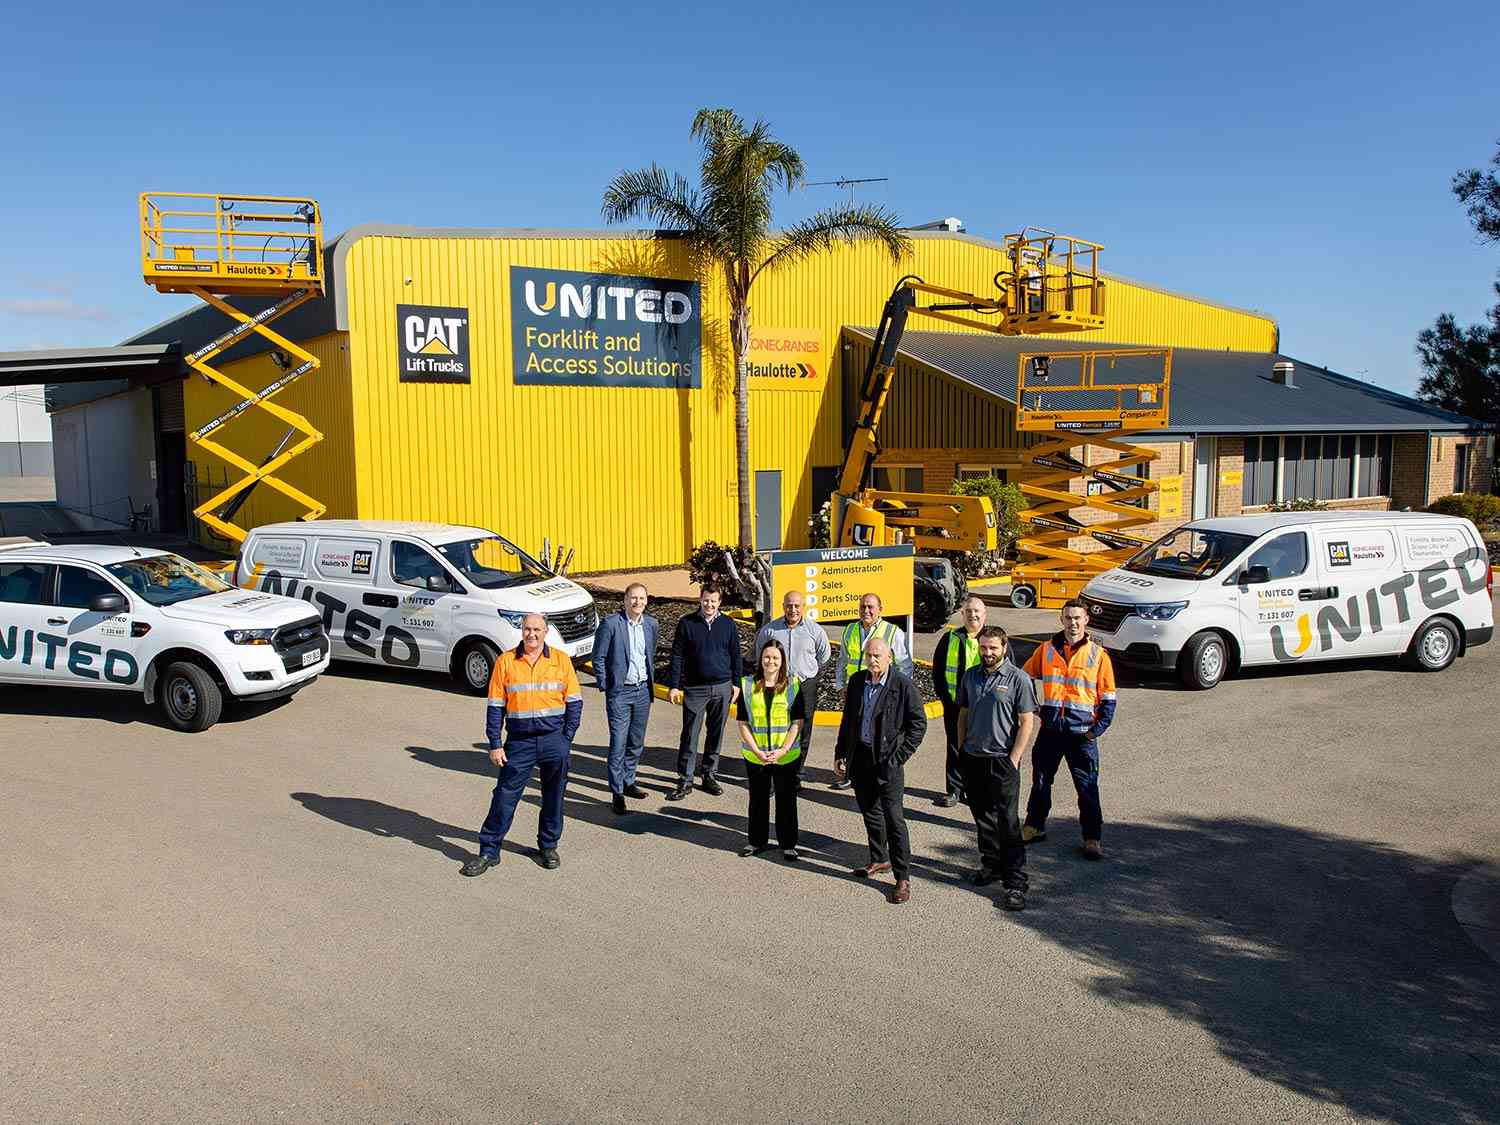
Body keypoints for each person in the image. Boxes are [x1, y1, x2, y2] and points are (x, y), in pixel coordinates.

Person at [461, 613, 583, 876]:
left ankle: (548, 846)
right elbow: (495, 707)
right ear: (521, 630)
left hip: (554, 741)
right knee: (505, 797)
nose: (532, 634)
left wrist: (566, 737)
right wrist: (495, 743)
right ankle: (488, 851)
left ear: (546, 631)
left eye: (537, 629)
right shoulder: (506, 661)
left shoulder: (561, 661)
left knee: (553, 797)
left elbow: (574, 702)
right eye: (527, 629)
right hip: (519, 742)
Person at [834, 636, 928, 904]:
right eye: (869, 656)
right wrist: (841, 753)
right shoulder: (857, 681)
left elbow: (918, 725)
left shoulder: (902, 685)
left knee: (894, 820)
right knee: (870, 812)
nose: (873, 660)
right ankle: (879, 859)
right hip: (860, 758)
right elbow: (848, 720)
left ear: (889, 658)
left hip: (888, 762)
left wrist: (898, 758)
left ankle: (903, 877)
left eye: (878, 656)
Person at [1022, 598, 1117, 860]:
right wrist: (1035, 707)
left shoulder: (1099, 655)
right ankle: (1034, 826)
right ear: (1061, 620)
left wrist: (1095, 731)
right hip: (1051, 731)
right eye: (1068, 618)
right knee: (1041, 780)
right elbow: (1025, 677)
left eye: (1077, 618)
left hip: (1081, 735)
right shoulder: (1046, 649)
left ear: (1086, 620)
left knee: (1087, 787)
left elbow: (1108, 698)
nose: (1073, 623)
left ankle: (1092, 838)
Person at [957, 626, 1038, 911]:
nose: (987, 653)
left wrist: (1014, 758)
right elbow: (963, 714)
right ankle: (991, 864)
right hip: (973, 758)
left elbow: (1027, 720)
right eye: (983, 648)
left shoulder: (1018, 679)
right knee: (982, 817)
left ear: (1004, 647)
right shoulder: (971, 676)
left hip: (1003, 759)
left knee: (1008, 822)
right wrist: (961, 748)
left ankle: (1015, 883)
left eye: (993, 648)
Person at [734, 639, 812, 861]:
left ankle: (788, 844)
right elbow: (742, 723)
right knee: (757, 800)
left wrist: (783, 750)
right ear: (760, 659)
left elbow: (797, 722)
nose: (771, 661)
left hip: (785, 756)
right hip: (756, 756)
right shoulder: (748, 685)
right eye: (767, 657)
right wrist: (757, 751)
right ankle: (756, 842)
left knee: (786, 800)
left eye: (776, 658)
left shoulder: (793, 685)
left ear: (782, 661)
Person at [666, 584, 743, 801]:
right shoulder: (687, 623)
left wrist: (736, 683)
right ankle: (685, 779)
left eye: (713, 601)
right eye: (706, 600)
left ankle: (709, 774)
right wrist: (674, 685)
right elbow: (677, 656)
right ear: (700, 599)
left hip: (722, 687)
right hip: (695, 689)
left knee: (715, 733)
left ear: (720, 602)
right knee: (690, 734)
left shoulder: (728, 624)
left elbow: (736, 655)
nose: (709, 604)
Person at [831, 593, 914, 790]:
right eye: (862, 607)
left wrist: (897, 693)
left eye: (870, 607)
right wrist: (841, 685)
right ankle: (850, 772)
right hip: (856, 691)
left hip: (882, 693)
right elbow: (842, 660)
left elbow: (905, 666)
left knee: (876, 733)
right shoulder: (850, 629)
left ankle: (880, 774)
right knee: (853, 732)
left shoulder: (893, 632)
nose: (866, 611)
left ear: (880, 609)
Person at [592, 582, 658, 816]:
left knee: (636, 741)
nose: (637, 602)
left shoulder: (651, 624)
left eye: (641, 598)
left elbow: (650, 654)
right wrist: (606, 685)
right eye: (633, 598)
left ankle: (629, 781)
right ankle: (617, 792)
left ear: (646, 601)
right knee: (618, 742)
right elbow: (598, 657)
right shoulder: (611, 624)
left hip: (642, 691)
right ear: (625, 600)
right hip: (620, 692)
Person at [752, 590, 832, 780]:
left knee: (803, 732)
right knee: (776, 730)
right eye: (789, 605)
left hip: (805, 687)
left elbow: (825, 656)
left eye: (797, 605)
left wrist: (810, 676)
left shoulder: (815, 630)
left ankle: (796, 774)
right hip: (778, 686)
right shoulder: (770, 630)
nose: (793, 609)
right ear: (783, 607)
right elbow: (760, 656)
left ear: (803, 607)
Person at [932, 593, 987, 807]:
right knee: (955, 747)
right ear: (962, 614)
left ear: (984, 614)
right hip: (955, 706)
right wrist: (945, 698)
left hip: (983, 709)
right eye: (969, 611)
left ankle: (975, 790)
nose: (973, 615)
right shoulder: (950, 638)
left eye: (977, 611)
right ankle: (954, 790)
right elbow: (938, 670)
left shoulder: (994, 639)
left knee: (981, 750)